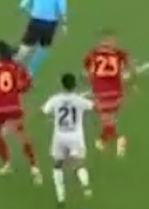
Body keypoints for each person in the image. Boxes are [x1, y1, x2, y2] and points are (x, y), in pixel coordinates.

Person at [0, 40, 42, 183]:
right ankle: (34, 166)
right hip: (13, 107)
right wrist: (18, 90)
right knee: (22, 135)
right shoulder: (17, 67)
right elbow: (27, 85)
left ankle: (6, 164)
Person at [41, 73, 95, 206]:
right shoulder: (79, 100)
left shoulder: (55, 99)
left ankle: (61, 197)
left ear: (62, 84)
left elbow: (44, 111)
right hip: (75, 136)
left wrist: (51, 117)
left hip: (60, 136)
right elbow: (93, 106)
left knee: (58, 164)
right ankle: (85, 185)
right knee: (78, 163)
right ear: (74, 85)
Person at [84, 32, 132, 157]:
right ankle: (104, 140)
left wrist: (91, 85)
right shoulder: (120, 54)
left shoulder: (92, 54)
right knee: (109, 119)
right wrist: (129, 86)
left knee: (105, 119)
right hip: (116, 92)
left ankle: (114, 138)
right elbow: (127, 73)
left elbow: (88, 73)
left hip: (101, 92)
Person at [16, 0, 67, 75]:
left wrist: (31, 12)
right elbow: (62, 9)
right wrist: (64, 24)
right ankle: (30, 72)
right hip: (50, 24)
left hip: (36, 21)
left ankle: (13, 66)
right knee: (43, 49)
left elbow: (22, 5)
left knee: (25, 47)